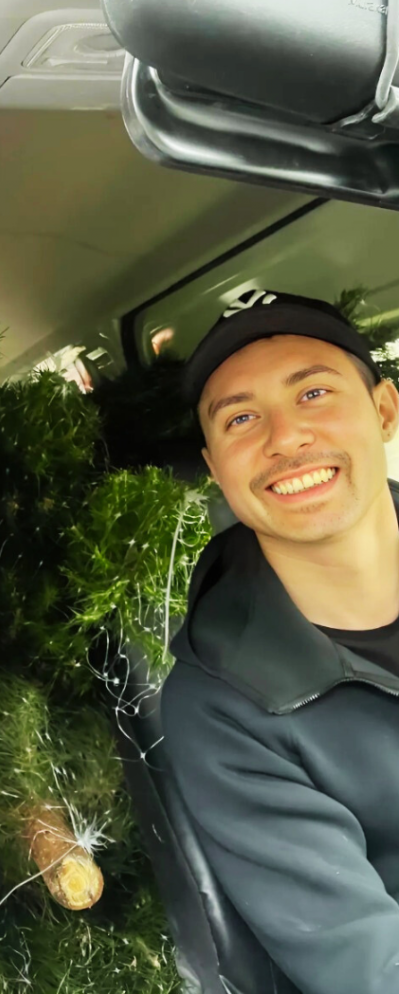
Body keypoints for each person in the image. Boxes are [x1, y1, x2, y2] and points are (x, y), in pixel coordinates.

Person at [162, 288, 399, 994]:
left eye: (314, 393)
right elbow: (366, 968)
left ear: (384, 411)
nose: (284, 438)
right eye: (241, 417)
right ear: (215, 468)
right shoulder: (221, 705)